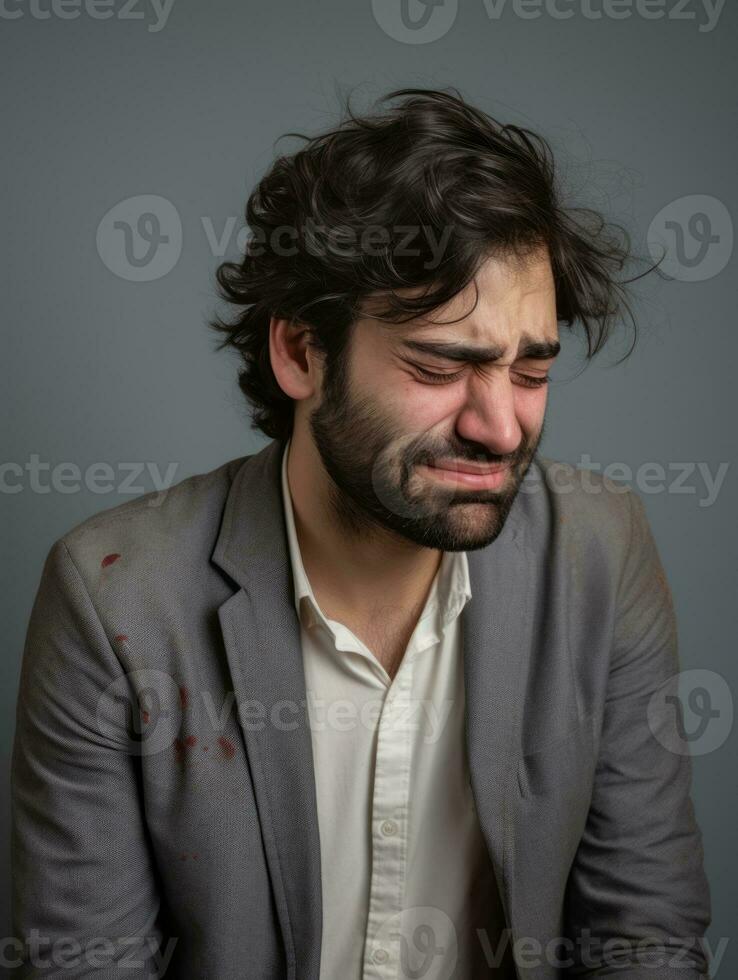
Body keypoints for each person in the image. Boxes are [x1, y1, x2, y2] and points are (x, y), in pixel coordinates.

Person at [11, 87, 711, 979]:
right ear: (300, 352)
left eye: (530, 370)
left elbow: (641, 938)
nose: (500, 427)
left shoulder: (602, 555)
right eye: (438, 364)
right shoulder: (111, 596)